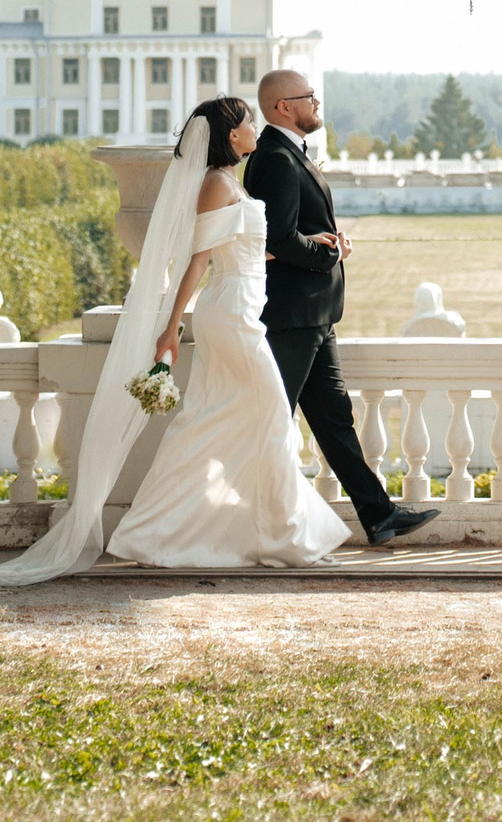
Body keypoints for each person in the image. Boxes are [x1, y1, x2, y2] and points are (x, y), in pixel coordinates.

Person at [105, 97, 351, 567]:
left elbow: (244, 251)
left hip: (243, 308)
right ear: (233, 136)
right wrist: (171, 327)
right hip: (231, 314)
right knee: (274, 417)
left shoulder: (229, 183)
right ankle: (286, 537)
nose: (256, 126)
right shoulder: (216, 185)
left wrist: (317, 247)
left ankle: (169, 531)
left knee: (215, 419)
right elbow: (199, 261)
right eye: (249, 121)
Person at [246, 69, 439, 548]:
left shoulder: (291, 153)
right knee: (273, 421)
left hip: (316, 316)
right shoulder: (274, 158)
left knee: (334, 420)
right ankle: (250, 522)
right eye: (308, 97)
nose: (317, 103)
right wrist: (331, 253)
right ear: (282, 107)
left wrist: (328, 243)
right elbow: (278, 239)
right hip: (292, 316)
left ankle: (379, 516)